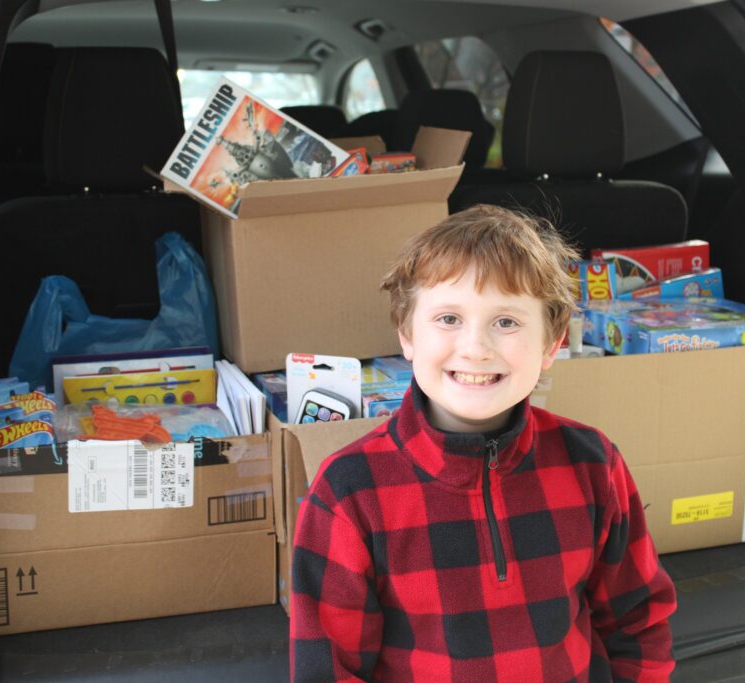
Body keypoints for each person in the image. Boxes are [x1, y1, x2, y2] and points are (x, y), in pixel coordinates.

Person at [290, 204, 677, 682]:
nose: (476, 347)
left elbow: (637, 620)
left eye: (507, 322)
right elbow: (329, 669)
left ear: (552, 344)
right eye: (449, 318)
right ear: (406, 334)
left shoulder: (593, 463)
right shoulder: (348, 492)